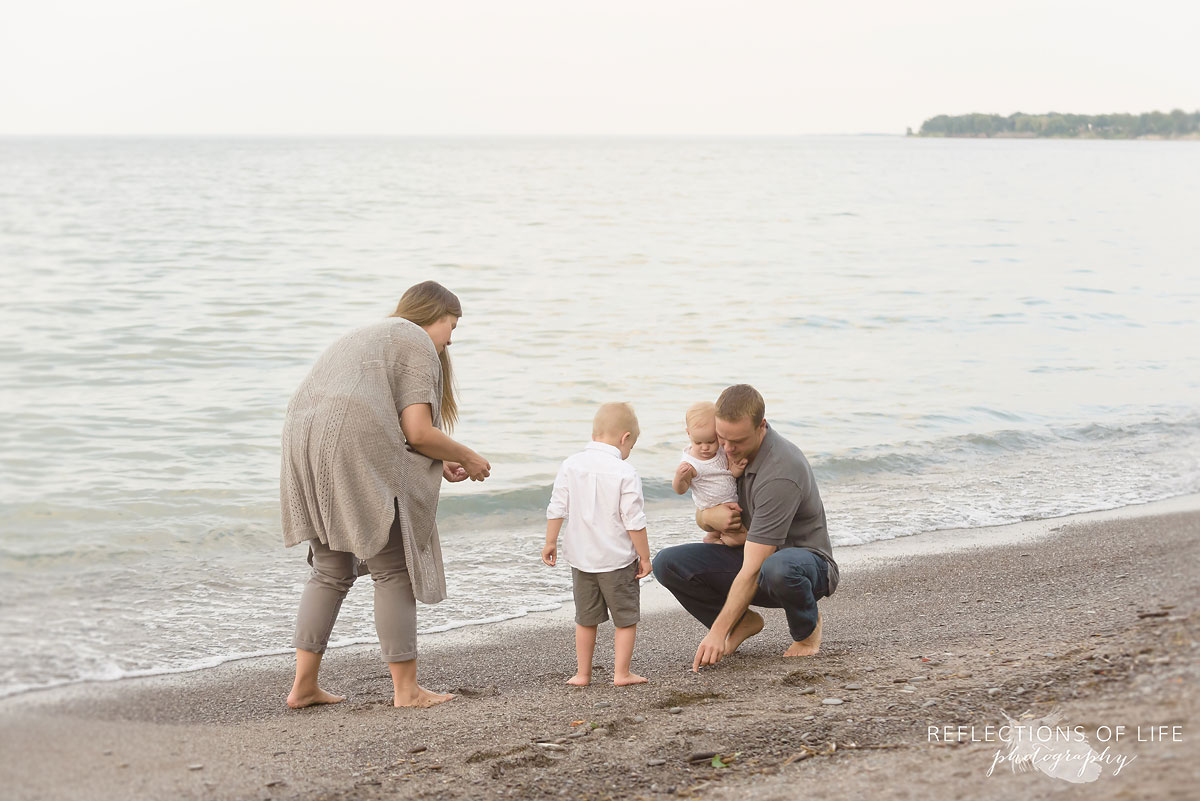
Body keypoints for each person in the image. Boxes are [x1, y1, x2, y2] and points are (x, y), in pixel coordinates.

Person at [280, 281, 491, 709]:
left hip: (303, 438)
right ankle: (407, 689)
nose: (451, 339)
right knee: (392, 567)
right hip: (347, 439)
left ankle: (303, 685)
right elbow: (418, 430)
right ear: (435, 315)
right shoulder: (413, 339)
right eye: (452, 326)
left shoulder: (366, 335)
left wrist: (438, 458)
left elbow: (388, 424)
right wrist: (468, 456)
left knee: (330, 568)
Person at [652, 384, 839, 671]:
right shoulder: (725, 451)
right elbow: (709, 502)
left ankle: (807, 630)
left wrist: (716, 632)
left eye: (736, 441)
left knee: (779, 567)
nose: (727, 448)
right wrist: (707, 518)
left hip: (802, 565)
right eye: (721, 438)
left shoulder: (780, 471)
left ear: (761, 426)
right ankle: (743, 622)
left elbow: (755, 565)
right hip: (755, 555)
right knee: (668, 563)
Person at [541, 402, 652, 687]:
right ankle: (621, 673)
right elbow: (634, 521)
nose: (629, 452)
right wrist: (645, 557)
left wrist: (550, 542)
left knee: (585, 618)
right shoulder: (625, 472)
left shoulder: (571, 464)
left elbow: (557, 507)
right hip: (616, 559)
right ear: (624, 438)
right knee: (625, 618)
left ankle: (582, 674)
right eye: (631, 446)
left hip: (581, 558)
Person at [672, 401, 747, 547]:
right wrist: (679, 477)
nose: (705, 448)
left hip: (729, 502)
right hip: (712, 508)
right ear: (688, 433)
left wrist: (738, 467)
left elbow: (729, 473)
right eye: (698, 442)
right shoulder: (690, 463)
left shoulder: (720, 450)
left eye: (711, 441)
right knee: (739, 539)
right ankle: (717, 541)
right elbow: (680, 490)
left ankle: (712, 537)